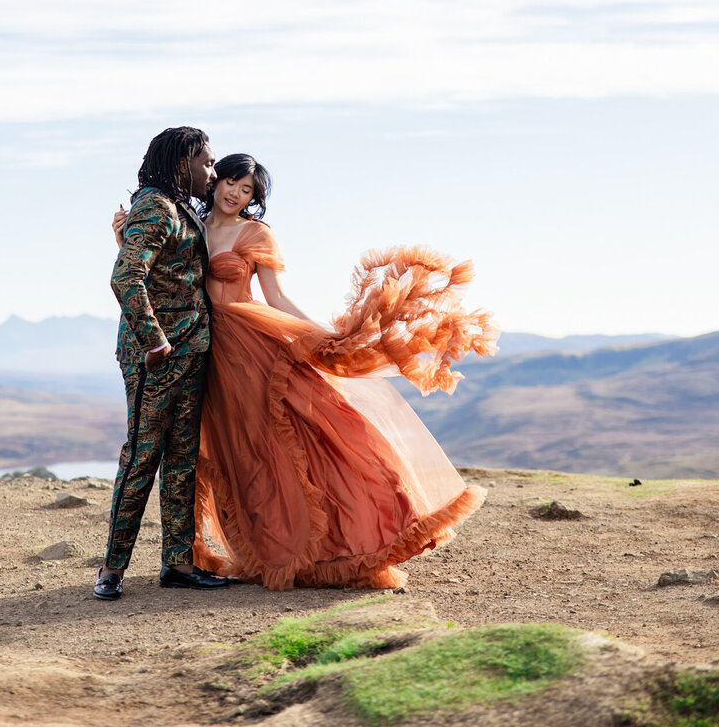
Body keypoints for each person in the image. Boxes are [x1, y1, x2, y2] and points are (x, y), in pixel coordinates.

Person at [112, 153, 497, 590]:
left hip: (249, 343)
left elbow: (277, 298)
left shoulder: (256, 233)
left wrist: (324, 337)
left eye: (248, 191)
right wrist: (125, 238)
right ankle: (255, 549)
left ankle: (358, 531)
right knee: (236, 453)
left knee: (295, 435)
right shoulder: (193, 226)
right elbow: (163, 274)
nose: (236, 195)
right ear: (214, 181)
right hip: (204, 349)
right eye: (231, 183)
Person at [97, 126, 230, 601]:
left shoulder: (178, 208)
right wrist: (153, 342)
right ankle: (112, 569)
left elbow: (166, 272)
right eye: (207, 164)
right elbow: (126, 276)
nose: (213, 174)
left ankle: (177, 563)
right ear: (182, 163)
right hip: (157, 359)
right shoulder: (155, 205)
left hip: (191, 353)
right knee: (142, 456)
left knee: (181, 460)